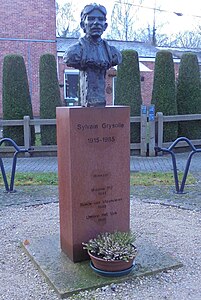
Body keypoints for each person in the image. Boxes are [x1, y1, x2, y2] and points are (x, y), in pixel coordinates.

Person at [63, 3, 122, 107]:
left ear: (105, 26)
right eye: (91, 19)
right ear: (83, 25)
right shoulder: (74, 52)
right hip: (87, 102)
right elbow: (69, 59)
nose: (96, 23)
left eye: (100, 19)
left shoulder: (113, 53)